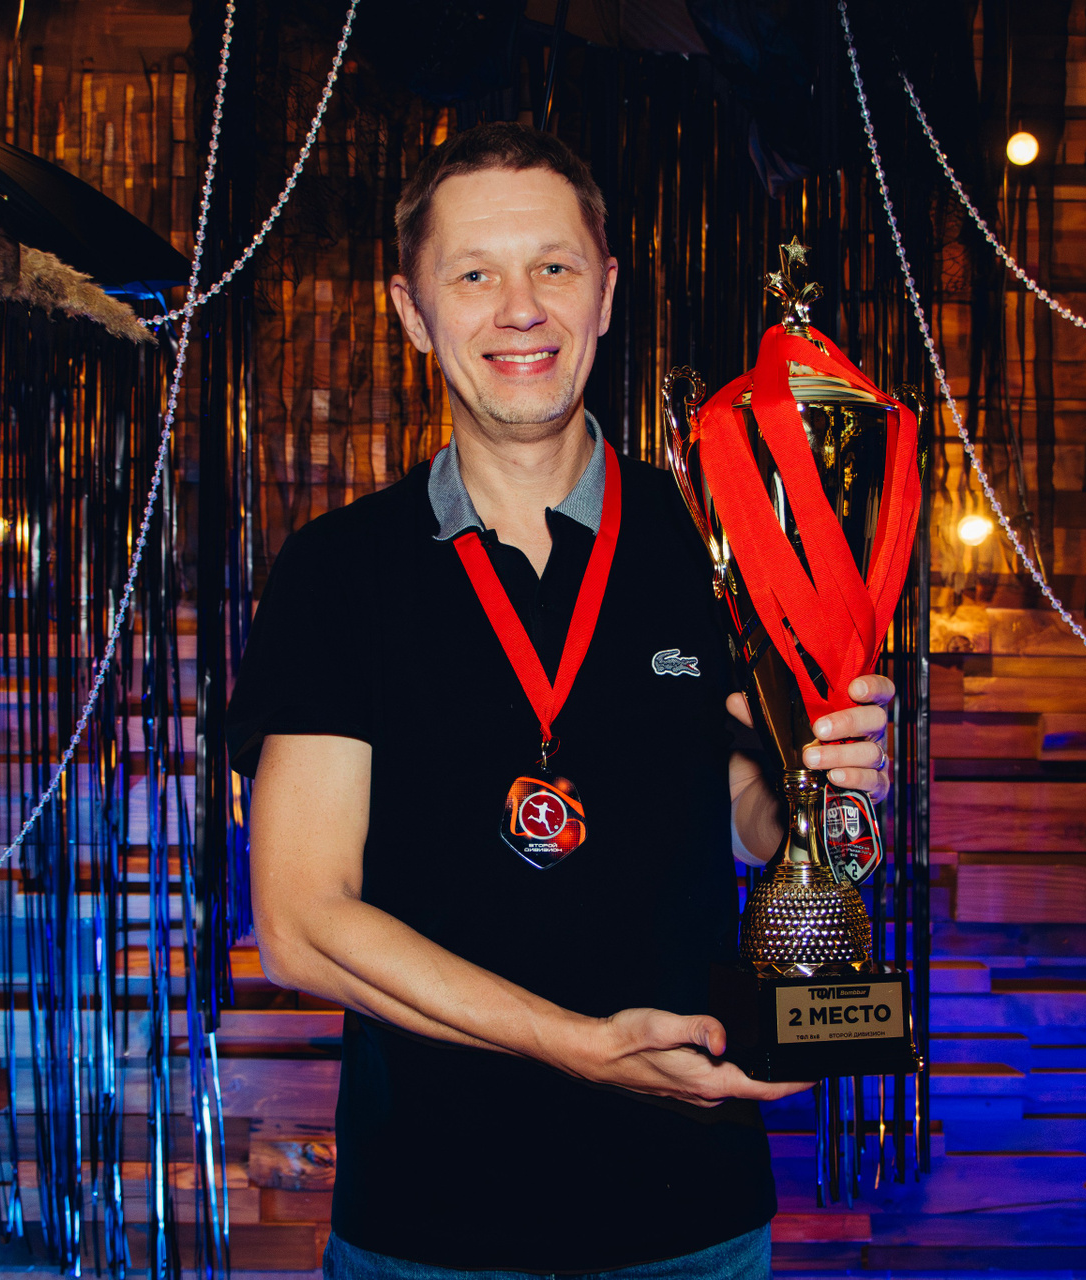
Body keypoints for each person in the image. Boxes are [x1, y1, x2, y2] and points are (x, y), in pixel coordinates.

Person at [226, 122, 895, 1280]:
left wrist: (825, 787)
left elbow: (753, 817)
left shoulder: (715, 541)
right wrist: (577, 1044)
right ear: (411, 311)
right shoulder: (339, 570)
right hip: (427, 1232)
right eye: (473, 275)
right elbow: (301, 921)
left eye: (553, 266)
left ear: (606, 292)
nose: (520, 308)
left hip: (691, 1222)